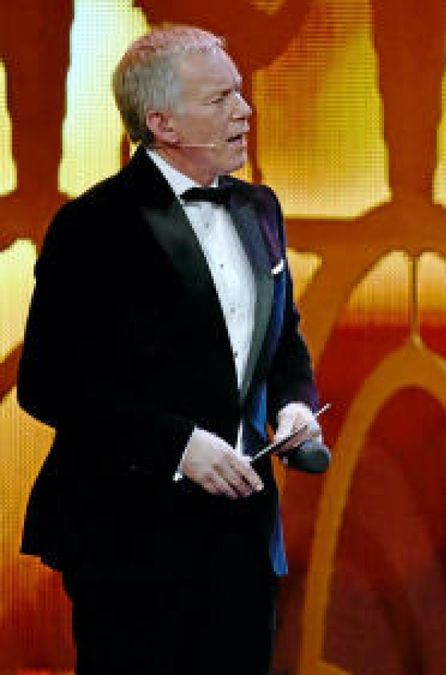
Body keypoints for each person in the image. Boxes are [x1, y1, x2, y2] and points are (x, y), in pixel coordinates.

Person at [18, 26, 324, 674]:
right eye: (220, 99)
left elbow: (283, 341)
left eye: (239, 92)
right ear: (162, 123)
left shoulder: (258, 207)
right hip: (129, 542)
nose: (245, 110)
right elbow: (47, 383)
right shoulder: (92, 226)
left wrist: (296, 406)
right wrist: (177, 444)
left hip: (242, 540)